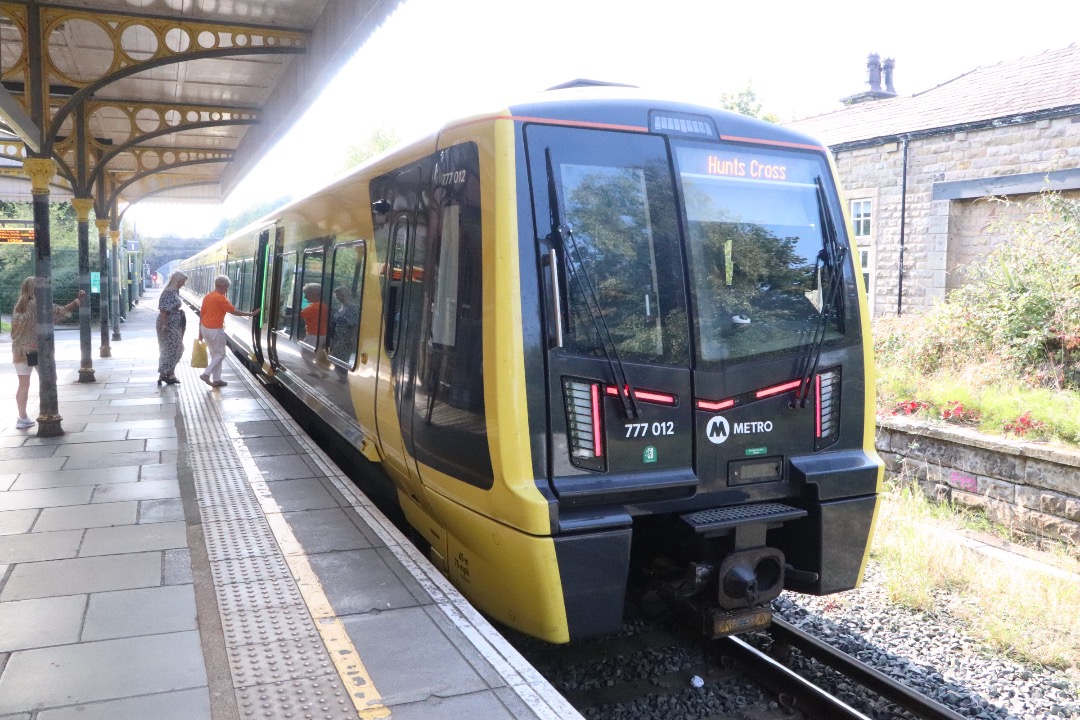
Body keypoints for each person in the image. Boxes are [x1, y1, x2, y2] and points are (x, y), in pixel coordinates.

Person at [10, 277, 85, 429]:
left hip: (19, 350)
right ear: (35, 290)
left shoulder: (19, 305)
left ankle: (22, 417)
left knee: (23, 384)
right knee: (49, 378)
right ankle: (47, 412)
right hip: (37, 349)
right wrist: (78, 301)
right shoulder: (39, 304)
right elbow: (60, 311)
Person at [198, 275, 259, 388]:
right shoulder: (220, 298)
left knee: (215, 355)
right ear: (222, 286)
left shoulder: (208, 297)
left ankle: (216, 380)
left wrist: (200, 333)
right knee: (221, 354)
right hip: (215, 329)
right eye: (227, 287)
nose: (227, 290)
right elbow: (234, 311)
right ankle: (206, 374)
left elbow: (202, 315)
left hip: (205, 328)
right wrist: (251, 314)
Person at [156, 271, 188, 386]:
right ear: (177, 281)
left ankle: (168, 373)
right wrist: (164, 325)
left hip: (175, 324)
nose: (183, 284)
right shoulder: (168, 293)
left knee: (176, 348)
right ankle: (165, 373)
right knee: (171, 348)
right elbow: (163, 310)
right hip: (168, 324)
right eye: (182, 282)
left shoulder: (174, 291)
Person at [299, 283, 329, 376]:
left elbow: (299, 316)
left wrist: (282, 316)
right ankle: (315, 371)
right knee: (313, 354)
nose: (305, 296)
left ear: (314, 293)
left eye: (307, 293)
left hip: (313, 335)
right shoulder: (323, 305)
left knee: (304, 353)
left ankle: (320, 372)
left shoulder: (314, 307)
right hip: (322, 334)